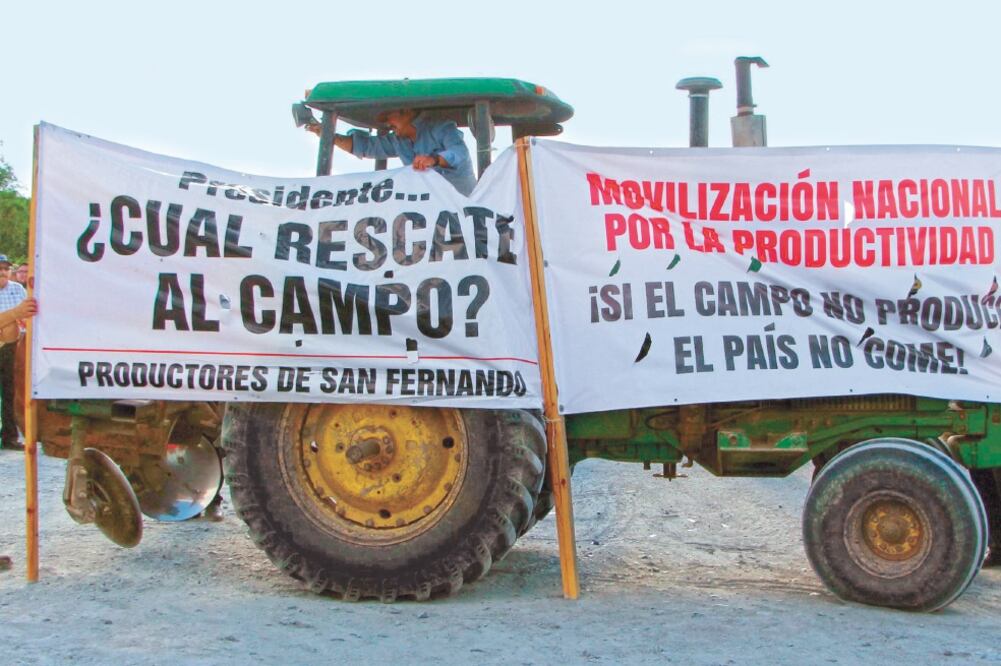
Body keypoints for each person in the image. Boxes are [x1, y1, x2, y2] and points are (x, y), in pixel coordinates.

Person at [309, 108, 476, 196]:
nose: (388, 123)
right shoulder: (398, 141)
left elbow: (459, 154)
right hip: (432, 213)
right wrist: (329, 136)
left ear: (408, 111)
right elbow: (365, 146)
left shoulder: (441, 128)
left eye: (390, 116)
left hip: (464, 211)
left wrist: (433, 160)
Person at [0, 254, 31, 451]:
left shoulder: (17, 289)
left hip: (11, 346)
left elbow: (27, 315)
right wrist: (14, 314)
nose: (2, 272)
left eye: (5, 269)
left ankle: (10, 436)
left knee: (10, 392)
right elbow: (18, 314)